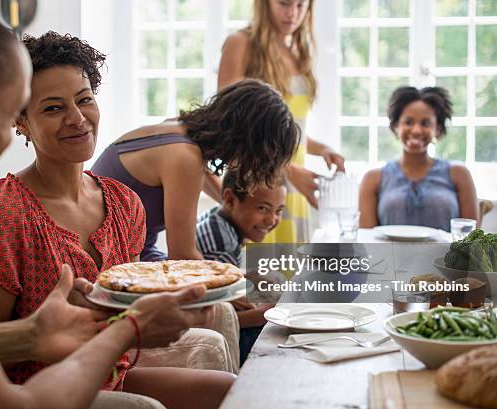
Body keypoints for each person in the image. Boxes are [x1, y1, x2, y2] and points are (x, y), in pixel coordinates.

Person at [0, 2, 223, 408]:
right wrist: (126, 328)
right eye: (8, 113)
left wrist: (30, 335)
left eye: (84, 101)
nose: (3, 140)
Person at [0, 31, 235, 408]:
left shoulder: (124, 203)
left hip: (109, 371)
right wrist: (37, 332)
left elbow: (127, 306)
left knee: (231, 390)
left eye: (84, 99)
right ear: (21, 122)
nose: (77, 119)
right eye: (53, 108)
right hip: (34, 391)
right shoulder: (4, 215)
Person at [92, 79, 299, 261]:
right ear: (250, 141)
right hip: (110, 257)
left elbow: (219, 194)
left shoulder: (181, 129)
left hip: (128, 251)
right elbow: (182, 256)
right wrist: (242, 286)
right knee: (247, 299)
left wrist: (244, 214)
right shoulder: (186, 158)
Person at [218, 0, 346, 243]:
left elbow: (286, 128)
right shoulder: (240, 44)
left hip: (292, 186)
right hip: (256, 186)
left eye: (301, 5)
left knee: (290, 275)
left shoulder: (299, 52)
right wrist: (287, 169)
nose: (293, 14)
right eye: (284, 3)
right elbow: (229, 126)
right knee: (256, 276)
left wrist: (321, 149)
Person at [196, 169, 286, 364]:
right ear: (230, 200)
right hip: (207, 323)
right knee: (275, 320)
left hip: (219, 308)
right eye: (263, 208)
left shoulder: (218, 220)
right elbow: (221, 317)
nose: (272, 220)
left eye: (278, 211)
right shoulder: (221, 244)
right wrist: (270, 312)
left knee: (276, 282)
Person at [359, 86, 478, 231]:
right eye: (408, 122)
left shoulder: (459, 174)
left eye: (425, 123)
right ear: (396, 126)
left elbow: (471, 241)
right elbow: (367, 242)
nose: (416, 130)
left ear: (438, 129)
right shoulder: (373, 179)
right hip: (386, 255)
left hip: (447, 255)